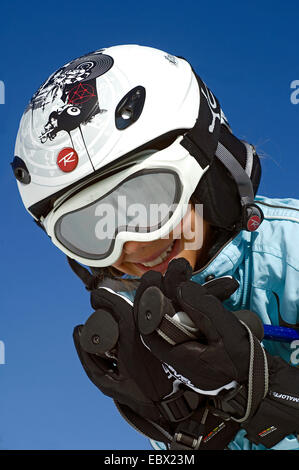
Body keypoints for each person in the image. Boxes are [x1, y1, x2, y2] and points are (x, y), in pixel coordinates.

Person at [12, 44, 299, 451]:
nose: (134, 243)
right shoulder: (148, 332)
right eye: (91, 229)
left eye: (147, 201)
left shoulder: (292, 251)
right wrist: (186, 427)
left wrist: (269, 389)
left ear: (210, 173)